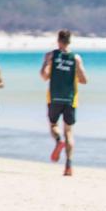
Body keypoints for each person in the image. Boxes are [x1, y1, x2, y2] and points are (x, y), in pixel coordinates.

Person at [40, 30, 88, 176]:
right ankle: (68, 165)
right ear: (69, 41)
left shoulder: (50, 56)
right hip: (70, 99)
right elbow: (84, 80)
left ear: (58, 40)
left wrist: (46, 65)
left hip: (54, 97)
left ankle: (58, 140)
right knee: (69, 131)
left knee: (53, 125)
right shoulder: (76, 58)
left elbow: (44, 76)